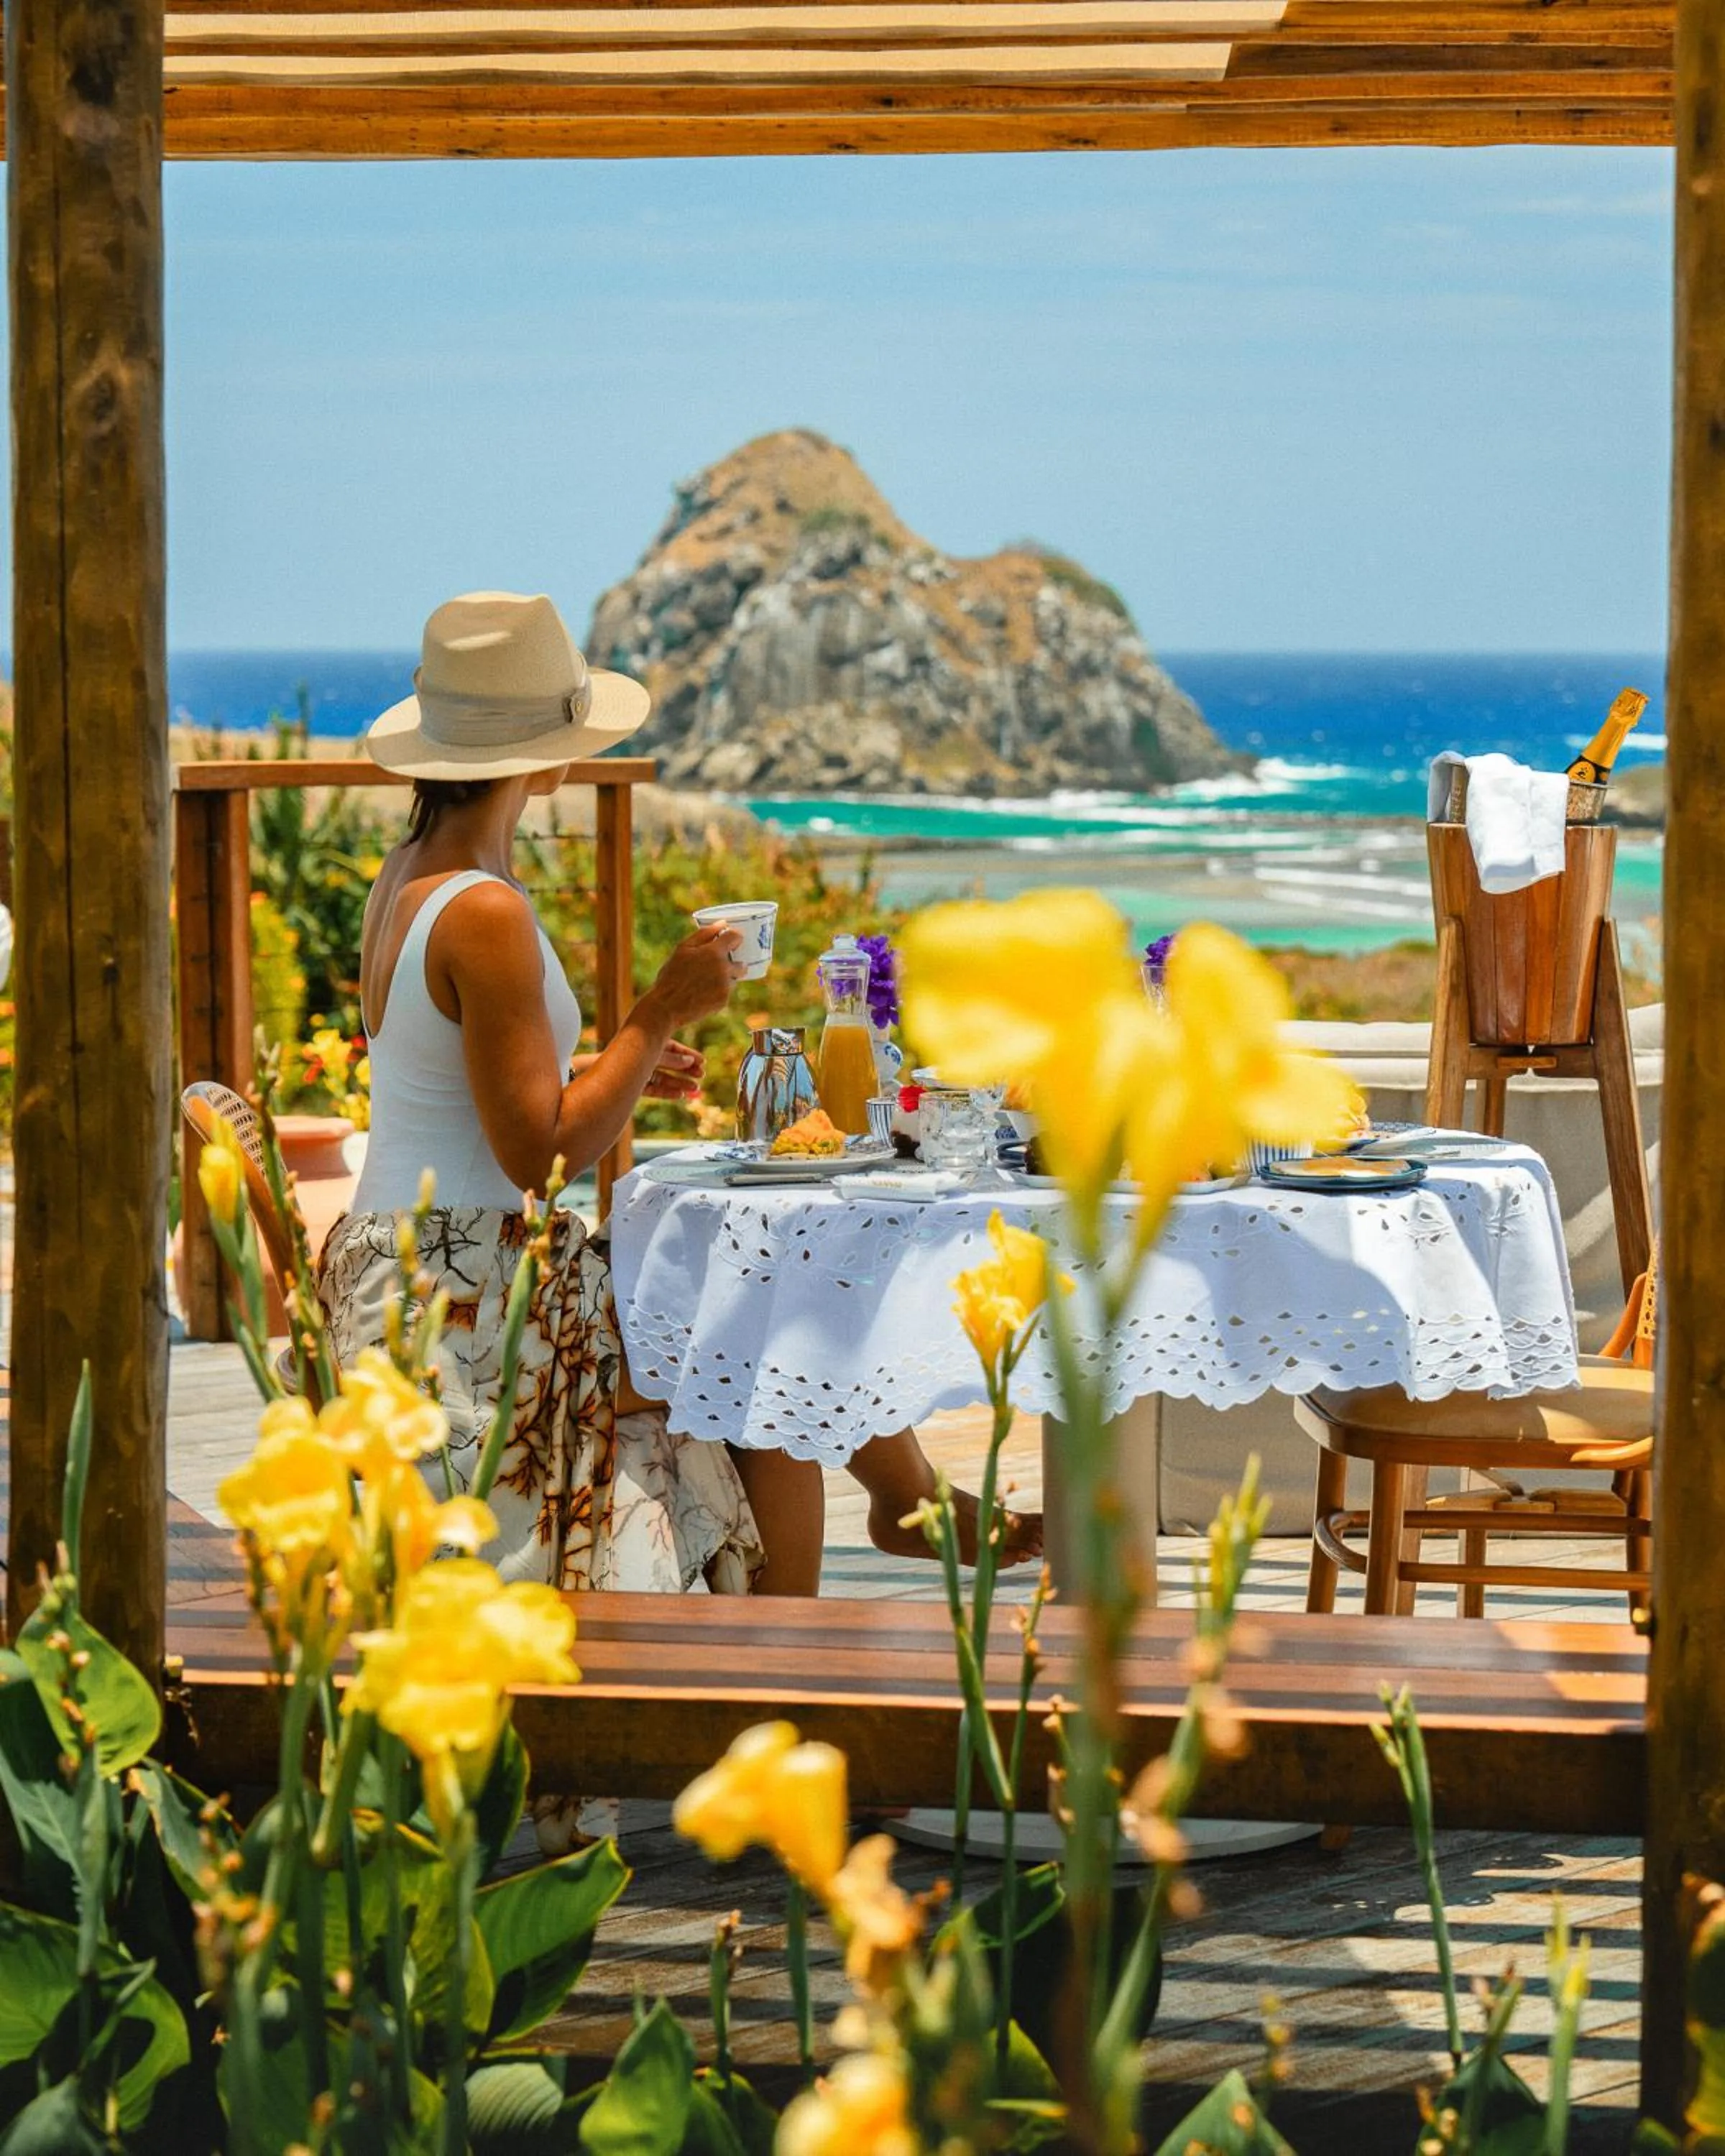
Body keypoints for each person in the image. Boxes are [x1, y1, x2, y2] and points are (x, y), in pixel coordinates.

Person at [321, 590, 1038, 1607]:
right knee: (770, 1344)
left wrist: (603, 1064)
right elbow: (540, 1158)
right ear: (543, 746)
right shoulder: (484, 909)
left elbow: (464, 1089)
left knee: (763, 1301)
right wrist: (658, 1011)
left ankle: (900, 1514)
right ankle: (800, 1631)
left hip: (414, 1271)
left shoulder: (415, 872)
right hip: (461, 1323)